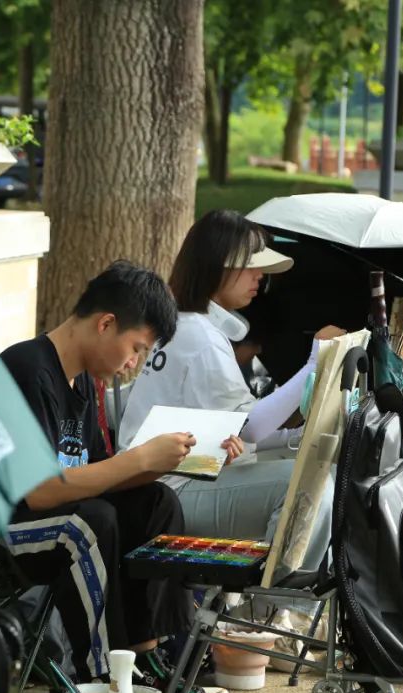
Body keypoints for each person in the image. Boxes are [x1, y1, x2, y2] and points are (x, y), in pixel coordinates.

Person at [0, 260, 229, 693]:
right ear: (106, 324)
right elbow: (39, 492)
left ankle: (147, 653)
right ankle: (102, 672)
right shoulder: (28, 369)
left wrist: (178, 460)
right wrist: (139, 458)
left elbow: (99, 473)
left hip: (62, 516)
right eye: (136, 348)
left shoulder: (83, 379)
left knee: (155, 502)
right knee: (89, 522)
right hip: (2, 526)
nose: (134, 364)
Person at [117, 210, 344, 577]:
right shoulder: (200, 337)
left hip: (170, 480)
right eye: (252, 267)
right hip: (168, 490)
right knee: (306, 484)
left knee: (304, 466)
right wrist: (315, 364)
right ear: (219, 266)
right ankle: (273, 606)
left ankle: (264, 603)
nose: (260, 277)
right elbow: (250, 426)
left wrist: (292, 439)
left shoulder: (189, 326)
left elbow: (234, 436)